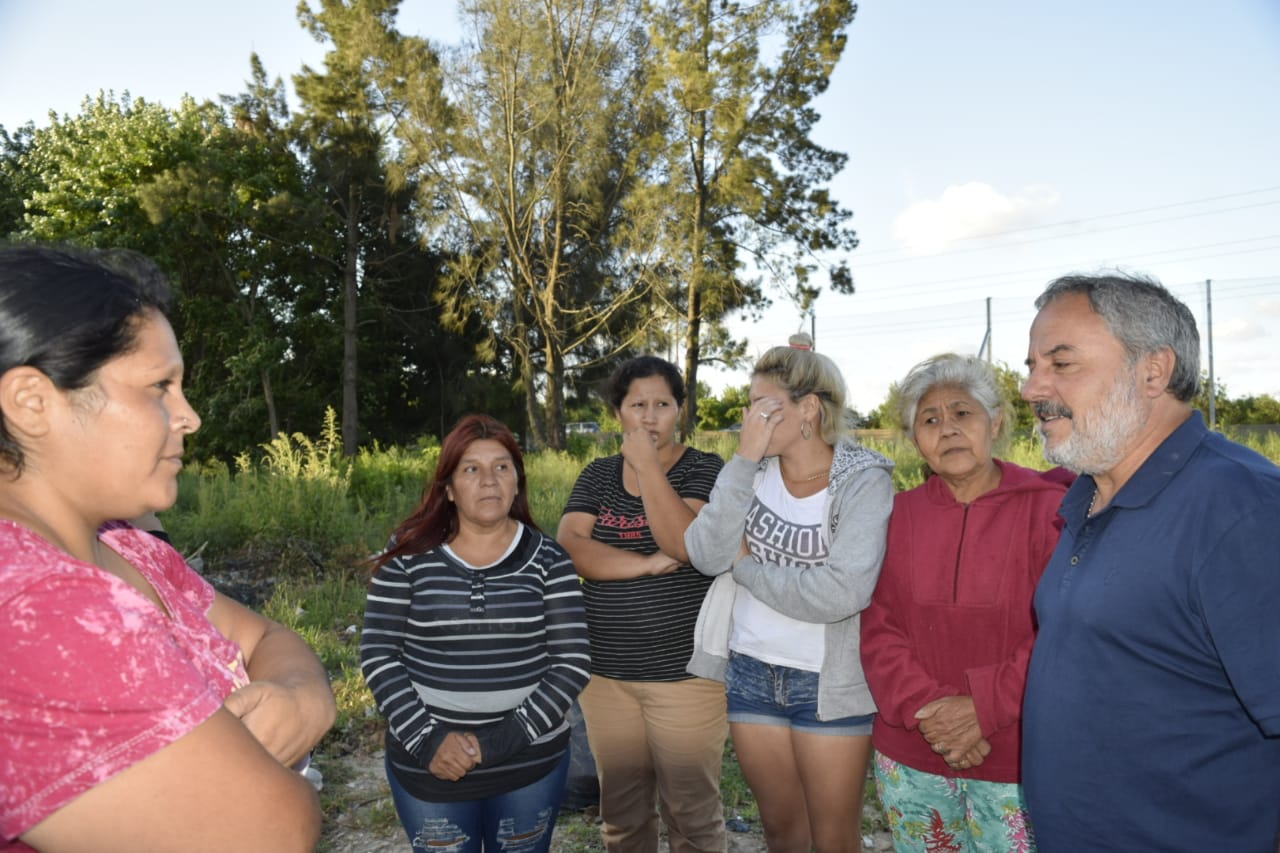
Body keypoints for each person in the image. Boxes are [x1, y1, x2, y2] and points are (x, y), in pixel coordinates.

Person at [0, 244, 335, 852]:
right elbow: (270, 832)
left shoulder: (132, 549)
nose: (190, 417)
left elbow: (265, 636)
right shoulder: (35, 605)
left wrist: (302, 698)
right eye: (160, 387)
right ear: (32, 403)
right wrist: (290, 774)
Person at [1020, 272, 1280, 852]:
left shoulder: (1242, 509)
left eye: (1062, 363)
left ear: (1154, 371)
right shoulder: (1088, 494)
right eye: (1032, 366)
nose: (1033, 388)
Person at [684, 334, 894, 853]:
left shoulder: (864, 482)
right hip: (752, 671)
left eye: (764, 405)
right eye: (750, 405)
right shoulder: (750, 473)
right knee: (782, 833)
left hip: (826, 682)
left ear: (808, 409)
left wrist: (748, 569)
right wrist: (741, 460)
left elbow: (841, 592)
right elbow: (706, 555)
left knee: (835, 839)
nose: (750, 418)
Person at [859, 354, 1069, 852]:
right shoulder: (895, 515)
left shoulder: (1051, 509)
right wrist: (931, 713)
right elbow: (878, 626)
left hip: (1019, 752)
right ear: (915, 439)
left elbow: (1061, 628)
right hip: (914, 748)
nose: (947, 428)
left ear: (994, 423)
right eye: (930, 420)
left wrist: (984, 708)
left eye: (962, 413)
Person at [361, 413, 590, 853]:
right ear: (448, 488)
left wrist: (496, 744)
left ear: (517, 482)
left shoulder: (550, 559)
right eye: (471, 469)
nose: (489, 480)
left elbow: (572, 663)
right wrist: (429, 741)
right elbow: (379, 653)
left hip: (530, 763)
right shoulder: (407, 553)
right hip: (429, 765)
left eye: (502, 467)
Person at [556, 356, 727, 853]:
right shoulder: (598, 475)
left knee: (692, 814)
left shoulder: (704, 468)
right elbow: (571, 547)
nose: (649, 417)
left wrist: (648, 466)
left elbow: (684, 540)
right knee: (622, 815)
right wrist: (646, 564)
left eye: (662, 405)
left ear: (679, 410)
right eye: (637, 405)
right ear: (618, 413)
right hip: (607, 676)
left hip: (685, 676)